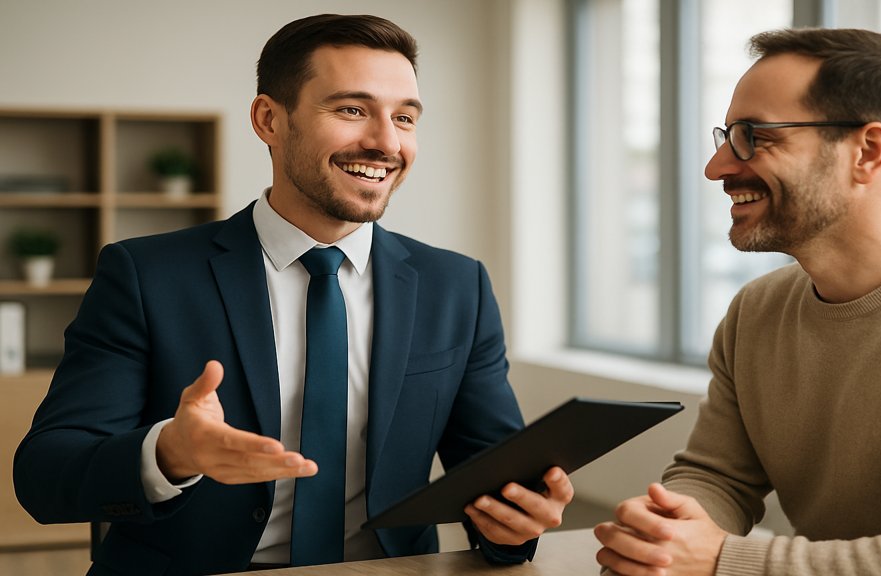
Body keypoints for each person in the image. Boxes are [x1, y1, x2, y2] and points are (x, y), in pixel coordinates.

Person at [14, 14, 573, 575]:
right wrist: (170, 454)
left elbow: (494, 481)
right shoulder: (145, 275)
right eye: (352, 110)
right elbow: (45, 475)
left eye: (404, 117)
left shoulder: (457, 286)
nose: (386, 142)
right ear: (269, 120)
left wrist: (516, 522)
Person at [594, 27, 881, 576]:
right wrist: (662, 539)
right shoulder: (756, 312)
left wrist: (723, 558)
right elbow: (719, 477)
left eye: (754, 136)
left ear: (868, 152)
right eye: (726, 136)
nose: (718, 167)